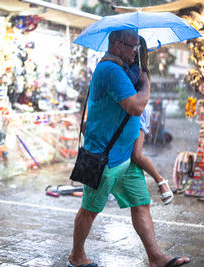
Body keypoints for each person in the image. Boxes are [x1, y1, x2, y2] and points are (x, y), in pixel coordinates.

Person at [68, 29, 190, 267]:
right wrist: (146, 85)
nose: (136, 51)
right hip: (106, 158)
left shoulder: (124, 69)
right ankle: (76, 256)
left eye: (138, 46)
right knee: (90, 209)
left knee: (141, 203)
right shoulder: (111, 70)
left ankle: (155, 257)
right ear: (115, 45)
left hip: (126, 158)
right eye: (131, 46)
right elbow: (135, 106)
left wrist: (142, 73)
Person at [99, 36, 173, 205]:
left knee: (137, 155)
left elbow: (129, 88)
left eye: (134, 47)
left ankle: (161, 182)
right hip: (130, 114)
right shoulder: (132, 68)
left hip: (137, 115)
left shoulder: (137, 71)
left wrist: (114, 61)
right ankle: (113, 186)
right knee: (128, 154)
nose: (131, 51)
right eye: (130, 46)